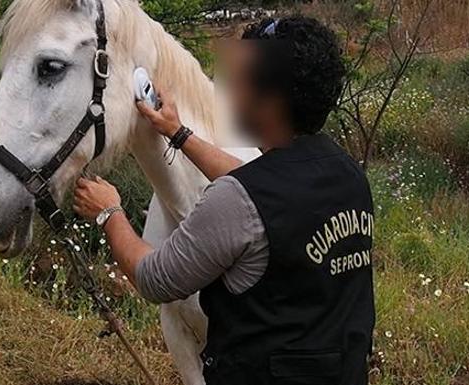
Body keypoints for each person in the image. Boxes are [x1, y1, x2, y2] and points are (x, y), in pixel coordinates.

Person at [73, 16, 375, 385]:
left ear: (270, 101)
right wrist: (178, 132)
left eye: (235, 82)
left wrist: (109, 211)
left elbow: (155, 279)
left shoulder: (236, 202)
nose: (225, 92)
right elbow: (264, 185)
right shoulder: (348, 175)